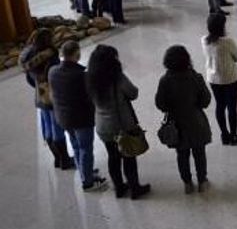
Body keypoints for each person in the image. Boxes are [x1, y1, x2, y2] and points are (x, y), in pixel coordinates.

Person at [85, 44, 151, 199]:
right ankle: (135, 189)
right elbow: (133, 93)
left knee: (113, 156)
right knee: (129, 156)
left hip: (102, 126)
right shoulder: (117, 78)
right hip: (122, 125)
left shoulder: (89, 78)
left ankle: (119, 188)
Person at [48, 41, 107, 191]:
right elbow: (91, 96)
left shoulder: (53, 71)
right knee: (86, 148)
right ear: (76, 54)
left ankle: (84, 171)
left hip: (64, 117)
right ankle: (88, 182)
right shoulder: (81, 75)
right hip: (82, 119)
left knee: (76, 146)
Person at [155, 46, 212, 194]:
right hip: (196, 122)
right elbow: (206, 100)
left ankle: (187, 183)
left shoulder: (165, 81)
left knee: (182, 155)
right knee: (199, 153)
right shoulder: (196, 77)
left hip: (176, 125)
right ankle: (202, 181)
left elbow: (160, 103)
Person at [20, 28, 73, 170]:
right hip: (52, 96)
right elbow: (55, 75)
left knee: (47, 127)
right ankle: (65, 160)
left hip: (39, 95)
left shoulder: (30, 57)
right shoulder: (50, 55)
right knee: (57, 128)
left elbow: (29, 79)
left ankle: (57, 158)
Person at [202, 13, 237, 146]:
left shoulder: (204, 40)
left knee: (220, 106)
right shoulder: (227, 42)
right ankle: (234, 135)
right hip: (229, 77)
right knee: (232, 107)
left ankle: (224, 134)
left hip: (213, 78)